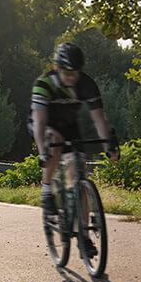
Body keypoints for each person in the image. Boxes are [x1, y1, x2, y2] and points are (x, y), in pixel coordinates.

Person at [29, 42, 120, 222]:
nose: (72, 78)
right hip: (42, 125)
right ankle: (47, 191)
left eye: (75, 73)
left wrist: (109, 146)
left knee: (79, 173)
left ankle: (83, 235)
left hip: (69, 126)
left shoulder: (86, 84)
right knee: (54, 139)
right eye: (67, 73)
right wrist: (42, 153)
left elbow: (99, 118)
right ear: (57, 68)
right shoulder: (44, 84)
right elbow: (39, 122)